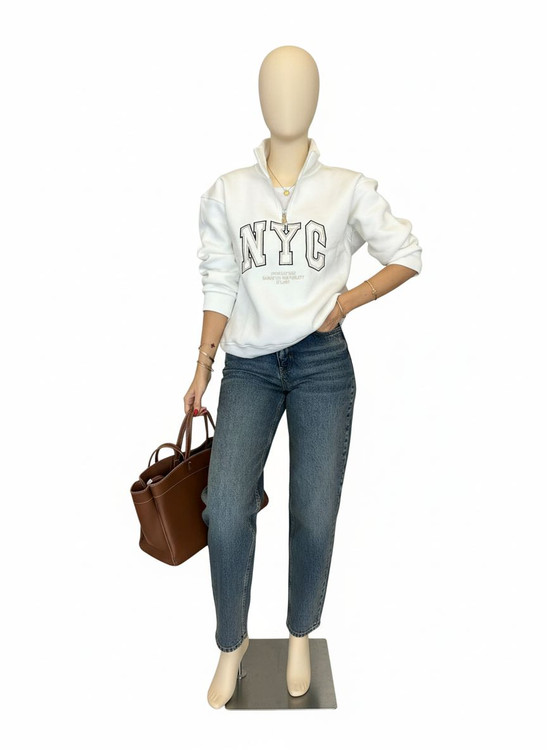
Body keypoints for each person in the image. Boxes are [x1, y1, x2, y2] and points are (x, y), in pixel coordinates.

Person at [183, 45, 422, 709]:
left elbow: (406, 253)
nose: (286, 99)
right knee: (225, 506)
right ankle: (231, 643)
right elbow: (219, 280)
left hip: (322, 365)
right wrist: (201, 366)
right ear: (260, 98)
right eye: (274, 86)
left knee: (314, 512)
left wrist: (345, 302)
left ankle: (298, 635)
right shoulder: (227, 191)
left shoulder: (347, 187)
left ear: (315, 98)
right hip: (249, 366)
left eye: (299, 86)